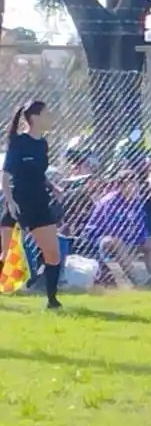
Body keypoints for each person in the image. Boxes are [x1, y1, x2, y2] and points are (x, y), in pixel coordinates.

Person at [1, 101, 65, 309]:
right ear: (35, 118)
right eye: (47, 113)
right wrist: (10, 202)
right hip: (19, 202)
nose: (51, 117)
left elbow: (38, 173)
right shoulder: (19, 142)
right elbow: (6, 174)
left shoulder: (42, 143)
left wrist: (52, 186)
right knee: (4, 252)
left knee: (53, 253)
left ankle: (52, 301)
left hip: (39, 202)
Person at [84, 170, 151, 286]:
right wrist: (129, 239)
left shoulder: (135, 202)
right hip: (100, 240)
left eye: (135, 183)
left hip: (126, 238)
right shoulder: (109, 202)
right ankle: (138, 280)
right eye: (130, 184)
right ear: (121, 186)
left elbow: (140, 226)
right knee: (116, 241)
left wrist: (142, 239)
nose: (134, 187)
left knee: (150, 241)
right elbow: (111, 229)